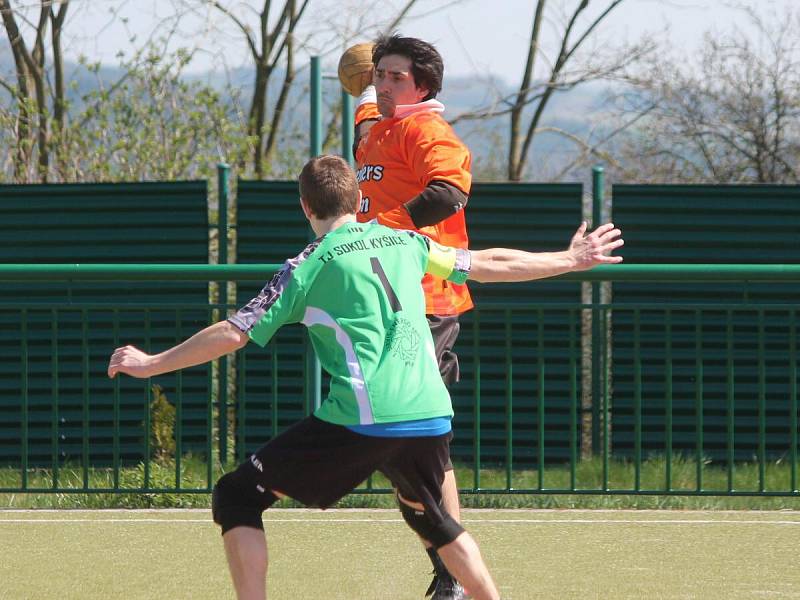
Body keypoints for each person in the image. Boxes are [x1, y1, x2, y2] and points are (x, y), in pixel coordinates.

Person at [107, 155, 623, 600]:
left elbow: (234, 332)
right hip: (429, 408)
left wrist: (150, 363)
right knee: (432, 519)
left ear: (306, 207)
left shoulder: (307, 264)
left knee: (237, 497)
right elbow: (487, 262)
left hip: (364, 416)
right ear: (358, 200)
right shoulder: (404, 241)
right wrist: (571, 259)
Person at [351, 34, 476, 599]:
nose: (383, 82)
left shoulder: (429, 130)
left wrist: (384, 230)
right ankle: (449, 564)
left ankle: (451, 573)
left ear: (423, 85)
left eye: (396, 76)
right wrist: (362, 84)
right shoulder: (380, 125)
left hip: (426, 300)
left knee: (419, 441)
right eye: (380, 74)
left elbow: (449, 193)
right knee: (399, 443)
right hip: (386, 298)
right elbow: (366, 131)